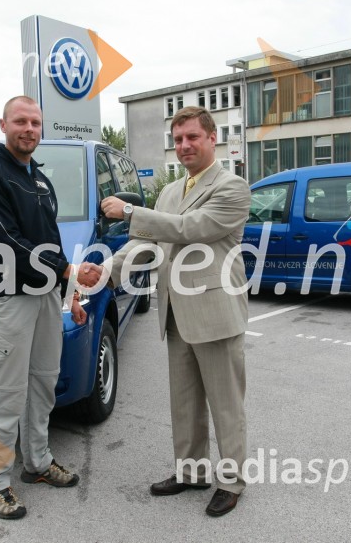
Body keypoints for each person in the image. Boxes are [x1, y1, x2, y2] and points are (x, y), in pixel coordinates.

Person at [99, 106, 251, 517]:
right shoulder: (170, 192)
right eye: (178, 139)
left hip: (216, 312)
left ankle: (232, 481)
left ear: (211, 139)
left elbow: (190, 230)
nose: (184, 145)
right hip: (175, 313)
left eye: (192, 138)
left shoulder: (232, 187)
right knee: (184, 403)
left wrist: (130, 212)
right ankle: (191, 473)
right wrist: (107, 271)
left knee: (225, 405)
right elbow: (149, 245)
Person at [0, 95, 100, 520]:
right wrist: (69, 269)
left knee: (42, 384)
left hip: (44, 299)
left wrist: (71, 291)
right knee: (3, 394)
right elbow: (7, 241)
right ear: (3, 124)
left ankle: (37, 464)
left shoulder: (39, 179)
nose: (29, 129)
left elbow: (50, 241)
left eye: (36, 123)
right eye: (21, 121)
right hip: (4, 300)